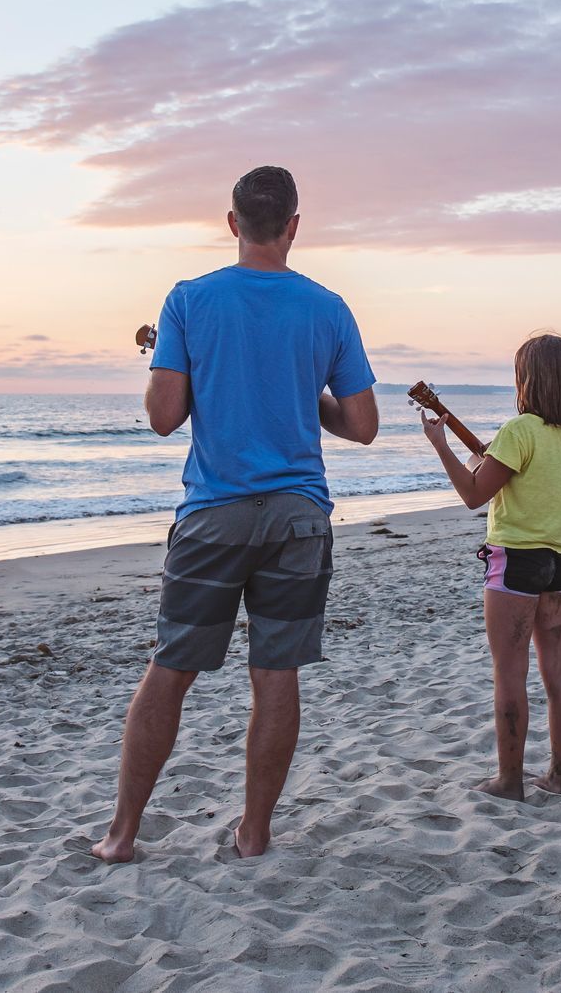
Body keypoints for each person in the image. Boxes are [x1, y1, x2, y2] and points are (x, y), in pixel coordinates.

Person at [90, 167, 378, 863]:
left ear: (231, 223)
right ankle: (254, 834)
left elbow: (163, 418)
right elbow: (363, 425)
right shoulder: (328, 307)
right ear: (294, 227)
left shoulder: (190, 300)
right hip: (298, 515)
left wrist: (175, 366)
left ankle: (123, 835)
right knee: (276, 675)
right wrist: (304, 395)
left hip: (215, 513)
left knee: (170, 669)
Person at [420, 334, 561, 800]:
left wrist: (440, 444)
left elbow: (474, 495)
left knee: (509, 672)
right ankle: (559, 776)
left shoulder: (519, 430)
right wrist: (485, 459)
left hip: (516, 559)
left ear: (527, 378)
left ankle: (509, 780)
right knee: (559, 671)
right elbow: (530, 482)